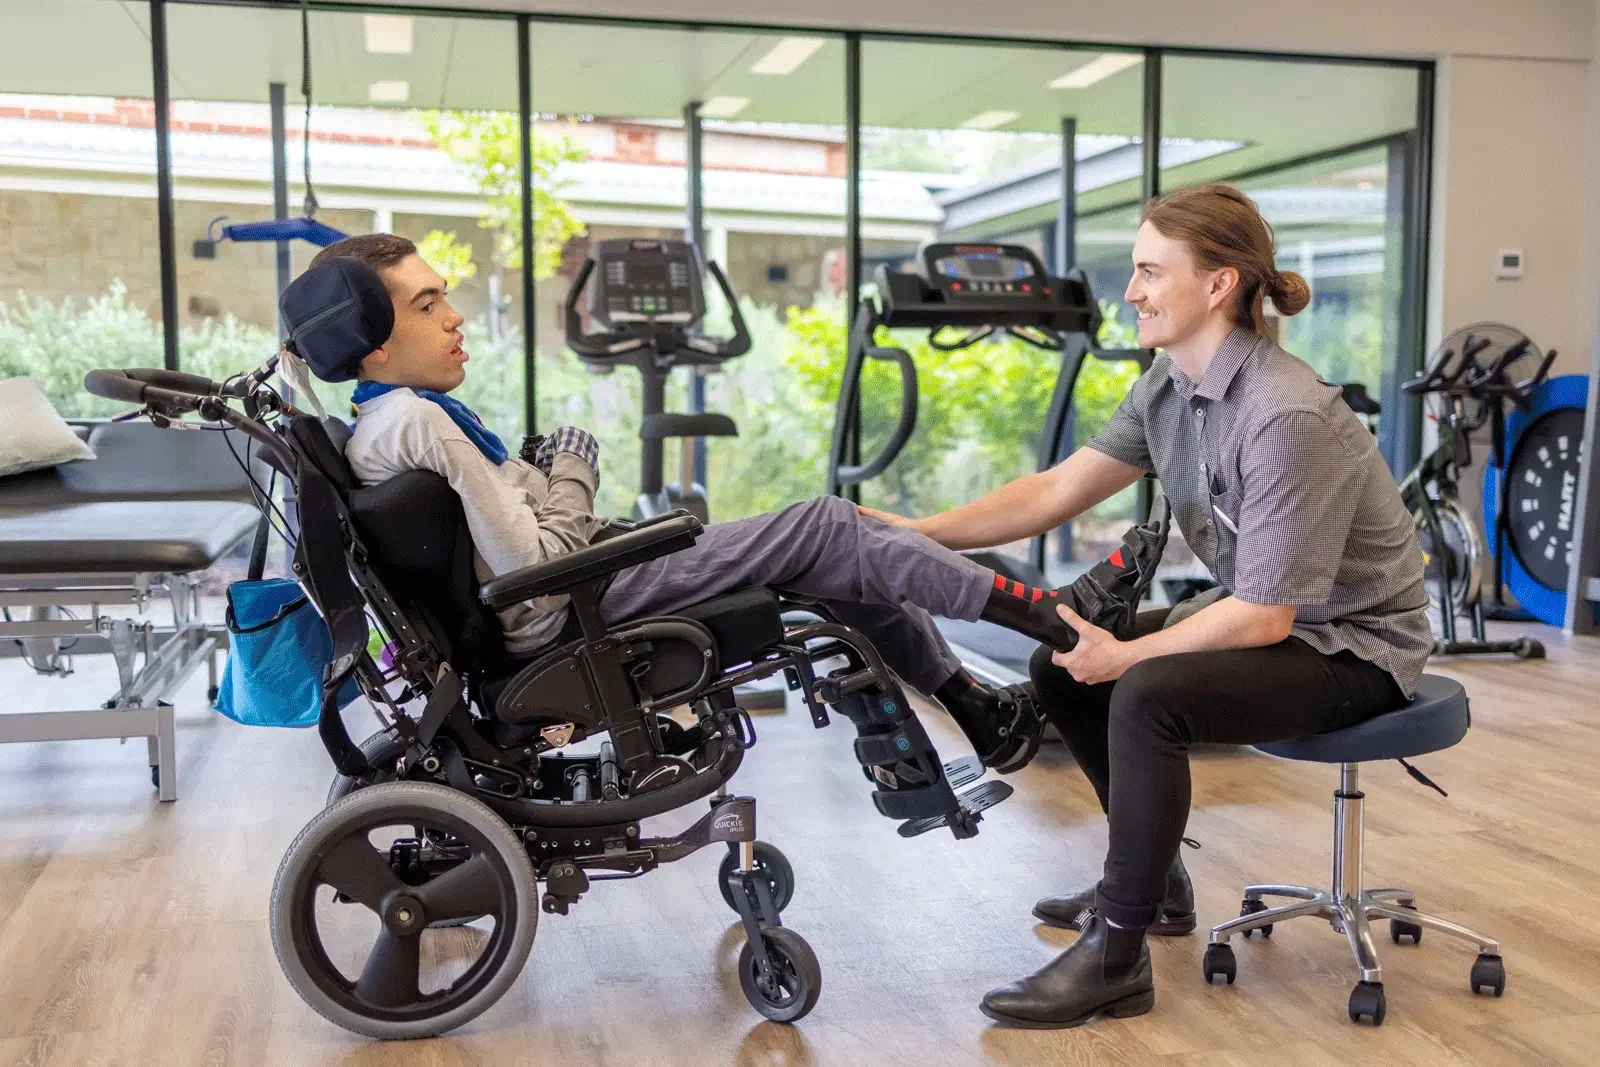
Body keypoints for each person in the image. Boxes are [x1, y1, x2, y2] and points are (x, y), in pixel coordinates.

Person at [861, 182, 1432, 1028]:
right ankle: (1154, 884)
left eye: (1149, 272)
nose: (1131, 292)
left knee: (1145, 693)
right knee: (1061, 659)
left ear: (1218, 285)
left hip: (1355, 646)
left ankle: (1116, 957)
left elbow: (1269, 617)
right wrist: (916, 531)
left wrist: (1129, 656)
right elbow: (1060, 488)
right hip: (1274, 618)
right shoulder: (1171, 383)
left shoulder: (1284, 414)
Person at [288, 233, 1162, 784]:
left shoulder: (385, 422)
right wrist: (573, 469)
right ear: (368, 337)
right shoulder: (422, 424)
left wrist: (548, 474)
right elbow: (530, 573)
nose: (455, 318)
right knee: (825, 525)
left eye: (446, 297)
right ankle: (1051, 622)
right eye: (427, 303)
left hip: (579, 585)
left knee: (830, 551)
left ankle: (974, 705)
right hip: (572, 605)